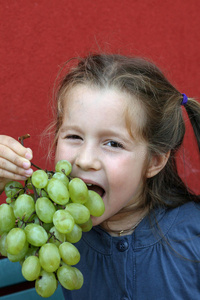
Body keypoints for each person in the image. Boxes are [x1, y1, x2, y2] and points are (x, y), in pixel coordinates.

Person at [0, 53, 200, 300]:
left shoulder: (194, 237)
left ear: (155, 161)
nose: (85, 159)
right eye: (74, 137)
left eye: (113, 143)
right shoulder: (53, 229)